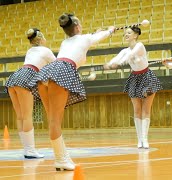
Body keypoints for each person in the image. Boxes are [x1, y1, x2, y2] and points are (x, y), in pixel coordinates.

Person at [28, 13, 115, 171]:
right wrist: (110, 30)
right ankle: (60, 159)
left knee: (53, 120)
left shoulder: (65, 42)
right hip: (61, 71)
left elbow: (88, 38)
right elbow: (98, 37)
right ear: (77, 27)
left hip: (47, 72)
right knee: (55, 120)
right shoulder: (84, 38)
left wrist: (96, 33)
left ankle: (62, 157)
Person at [104, 26, 162, 149]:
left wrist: (118, 63)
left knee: (146, 110)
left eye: (129, 33)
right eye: (125, 33)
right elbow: (119, 57)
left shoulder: (140, 45)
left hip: (147, 77)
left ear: (135, 35)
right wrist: (110, 63)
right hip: (134, 78)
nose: (126, 35)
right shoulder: (124, 50)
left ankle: (145, 139)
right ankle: (139, 139)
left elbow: (130, 55)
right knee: (137, 110)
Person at [5, 28, 55, 159]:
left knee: (20, 116)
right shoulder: (46, 51)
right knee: (27, 116)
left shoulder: (30, 50)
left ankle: (27, 150)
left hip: (15, 77)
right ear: (41, 38)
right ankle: (30, 150)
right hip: (27, 77)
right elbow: (57, 67)